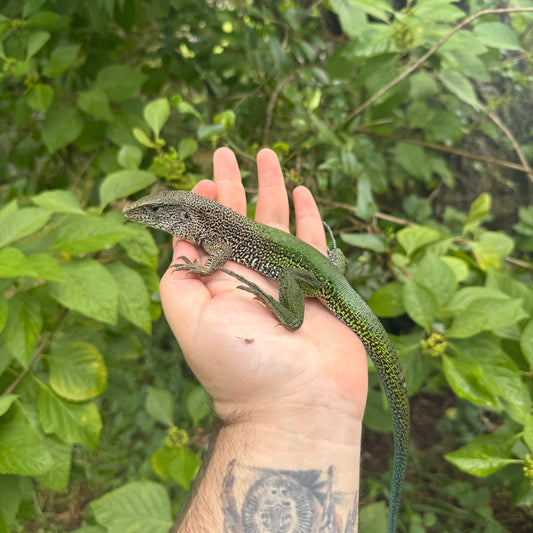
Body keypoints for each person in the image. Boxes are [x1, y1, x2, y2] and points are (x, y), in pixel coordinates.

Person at [160, 147, 368, 532]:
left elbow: (219, 253)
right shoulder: (217, 226)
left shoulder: (218, 232)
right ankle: (335, 264)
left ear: (185, 215)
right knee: (313, 268)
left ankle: (291, 316)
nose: (149, 216)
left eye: (156, 212)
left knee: (289, 278)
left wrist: (203, 268)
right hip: (327, 272)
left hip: (320, 282)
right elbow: (222, 246)